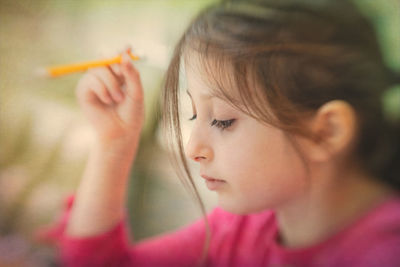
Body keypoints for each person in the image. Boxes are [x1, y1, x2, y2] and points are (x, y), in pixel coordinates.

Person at [41, 0, 400, 266]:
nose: (192, 147)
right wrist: (113, 146)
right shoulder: (241, 229)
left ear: (327, 131)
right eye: (194, 112)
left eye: (223, 120)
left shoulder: (384, 253)